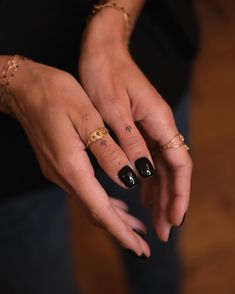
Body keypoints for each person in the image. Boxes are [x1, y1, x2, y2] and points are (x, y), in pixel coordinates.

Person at [0, 0, 195, 293]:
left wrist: (113, 26)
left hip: (134, 79)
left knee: (159, 249)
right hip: (7, 159)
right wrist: (11, 82)